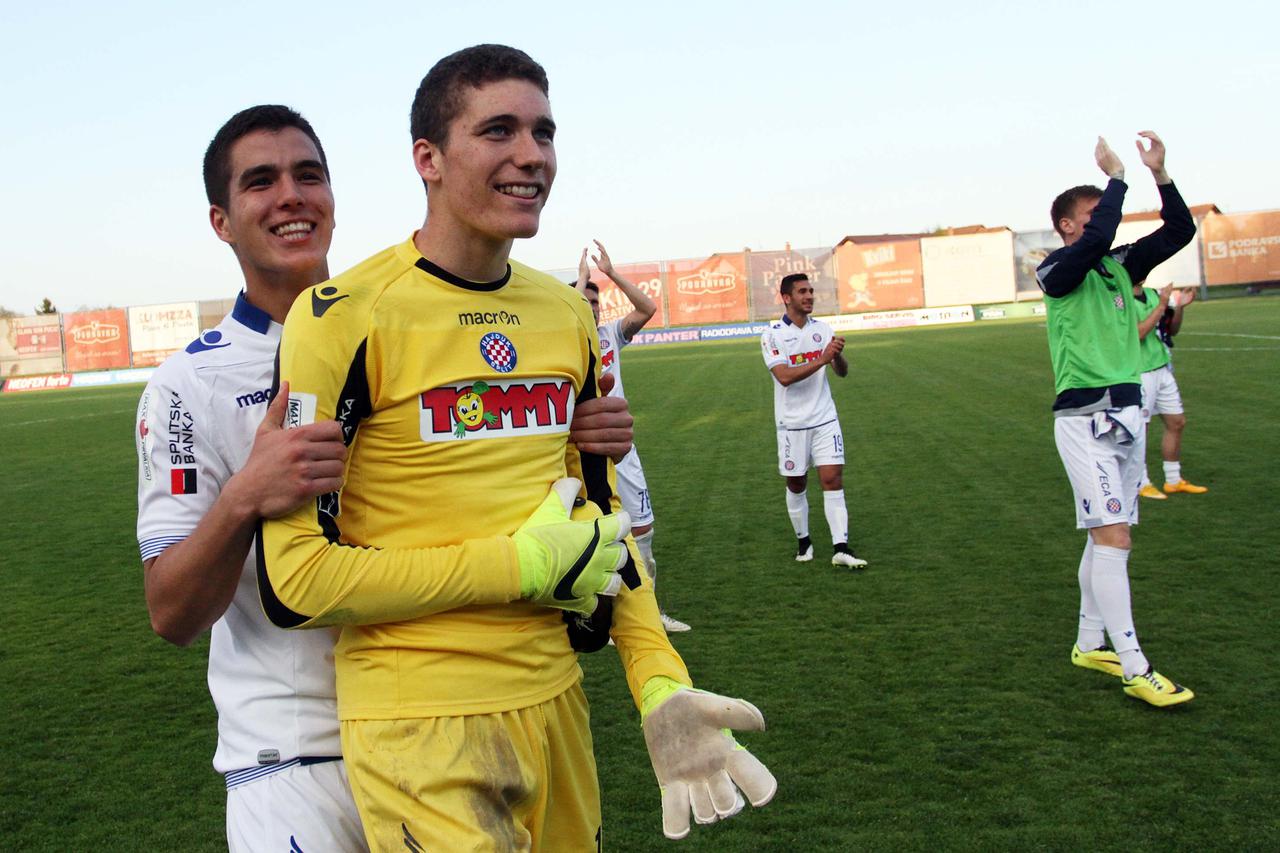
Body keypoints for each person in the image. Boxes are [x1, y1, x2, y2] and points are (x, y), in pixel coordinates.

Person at [258, 45, 775, 849]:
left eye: (543, 132)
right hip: (416, 719)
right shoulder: (339, 316)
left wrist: (659, 683)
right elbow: (296, 582)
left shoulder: (566, 316)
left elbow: (603, 531)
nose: (531, 155)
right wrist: (522, 566)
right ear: (427, 159)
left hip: (557, 706)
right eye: (498, 130)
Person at [134, 104, 637, 852]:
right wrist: (245, 496)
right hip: (296, 751)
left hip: (453, 713)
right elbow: (171, 612)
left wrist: (573, 430)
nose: (291, 196)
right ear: (222, 220)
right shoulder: (188, 387)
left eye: (310, 175)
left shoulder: (402, 320)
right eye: (260, 182)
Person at [1035, 131, 1197, 707]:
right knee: (1114, 536)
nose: (1106, 220)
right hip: (1085, 419)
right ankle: (1134, 667)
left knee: (1104, 536)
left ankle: (1088, 642)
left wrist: (1160, 175)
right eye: (1094, 213)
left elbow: (1179, 231)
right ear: (1068, 226)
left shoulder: (1120, 264)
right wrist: (1117, 177)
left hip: (1127, 418)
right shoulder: (1057, 270)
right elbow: (1102, 229)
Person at [576, 240, 691, 632]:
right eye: (584, 301)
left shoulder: (611, 334)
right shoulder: (566, 338)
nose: (592, 308)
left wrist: (610, 274)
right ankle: (595, 620)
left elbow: (647, 308)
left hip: (621, 448)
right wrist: (579, 283)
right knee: (592, 534)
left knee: (642, 529)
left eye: (595, 302)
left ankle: (648, 616)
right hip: (578, 451)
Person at [761, 273, 866, 568]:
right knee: (796, 483)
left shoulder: (823, 328)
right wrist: (821, 359)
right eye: (802, 292)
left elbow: (841, 372)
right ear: (786, 298)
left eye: (811, 291)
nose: (809, 296)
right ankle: (804, 541)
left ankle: (841, 548)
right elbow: (783, 377)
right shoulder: (772, 335)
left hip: (824, 419)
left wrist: (837, 356)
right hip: (791, 424)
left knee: (832, 478)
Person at [1132, 282, 1208, 499]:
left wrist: (1180, 307)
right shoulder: (1121, 299)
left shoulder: (1153, 295)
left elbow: (1170, 329)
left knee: (1176, 422)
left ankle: (1173, 480)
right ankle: (1141, 482)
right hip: (1139, 371)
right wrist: (1162, 306)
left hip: (1162, 368)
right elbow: (1139, 333)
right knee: (1141, 429)